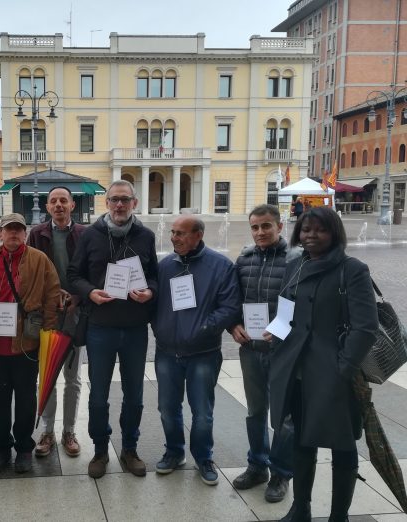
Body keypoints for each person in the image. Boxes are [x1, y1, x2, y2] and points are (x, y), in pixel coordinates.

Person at [269, 207, 378, 521]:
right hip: (297, 371)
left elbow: (365, 327)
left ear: (334, 233)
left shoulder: (352, 269)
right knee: (302, 442)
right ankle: (300, 508)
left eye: (319, 230)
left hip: (334, 374)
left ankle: (338, 516)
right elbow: (286, 312)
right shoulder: (295, 265)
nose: (311, 236)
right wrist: (275, 334)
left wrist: (342, 368)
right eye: (305, 230)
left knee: (342, 446)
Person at [67, 180, 158, 479]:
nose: (119, 205)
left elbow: (154, 277)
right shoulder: (91, 235)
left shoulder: (146, 236)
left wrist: (150, 292)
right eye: (114, 200)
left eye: (125, 200)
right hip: (100, 328)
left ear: (135, 202)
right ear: (106, 203)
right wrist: (90, 292)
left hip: (134, 329)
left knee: (135, 395)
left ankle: (130, 448)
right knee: (98, 396)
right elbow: (73, 274)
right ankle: (101, 450)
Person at [151, 215, 240, 486]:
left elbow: (230, 307)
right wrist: (160, 327)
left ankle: (203, 457)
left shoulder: (221, 266)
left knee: (202, 412)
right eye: (173, 233)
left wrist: (203, 329)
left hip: (203, 352)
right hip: (167, 351)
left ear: (198, 235)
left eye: (181, 233)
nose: (174, 238)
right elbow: (155, 302)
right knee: (167, 408)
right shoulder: (165, 265)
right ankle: (174, 452)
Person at [0, 213, 61, 474]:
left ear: (25, 233)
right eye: (8, 229)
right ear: (0, 233)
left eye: (18, 229)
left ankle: (24, 449)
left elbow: (52, 294)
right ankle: (1, 450)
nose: (13, 234)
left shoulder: (39, 260)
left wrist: (47, 332)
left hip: (27, 343)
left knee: (26, 400)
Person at [228, 204, 294, 502]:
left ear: (280, 226)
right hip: (251, 348)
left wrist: (285, 330)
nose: (260, 232)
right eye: (255, 227)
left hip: (284, 351)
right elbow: (232, 301)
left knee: (284, 416)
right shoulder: (244, 260)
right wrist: (233, 326)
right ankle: (258, 465)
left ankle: (281, 473)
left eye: (266, 226)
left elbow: (303, 306)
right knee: (256, 411)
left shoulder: (296, 260)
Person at [27, 186, 86, 458]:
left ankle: (69, 431)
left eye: (64, 200)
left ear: (72, 205)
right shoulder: (37, 234)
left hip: (75, 315)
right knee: (47, 376)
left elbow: (92, 270)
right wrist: (51, 296)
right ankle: (47, 431)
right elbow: (29, 273)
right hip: (48, 316)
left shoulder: (85, 234)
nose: (59, 205)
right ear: (48, 207)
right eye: (54, 201)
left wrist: (77, 296)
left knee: (73, 379)